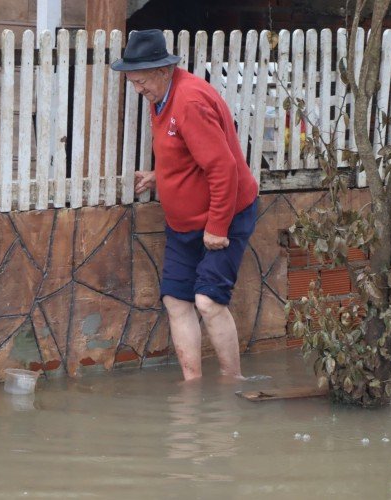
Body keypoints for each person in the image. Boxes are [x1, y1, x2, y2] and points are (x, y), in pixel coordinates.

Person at [111, 29, 259, 381]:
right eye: (132, 81)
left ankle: (231, 383)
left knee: (208, 302)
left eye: (142, 81)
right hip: (184, 223)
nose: (138, 89)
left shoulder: (189, 102)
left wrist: (217, 228)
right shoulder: (160, 96)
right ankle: (192, 387)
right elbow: (182, 152)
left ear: (164, 70)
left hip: (223, 216)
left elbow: (223, 167)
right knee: (176, 301)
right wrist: (160, 176)